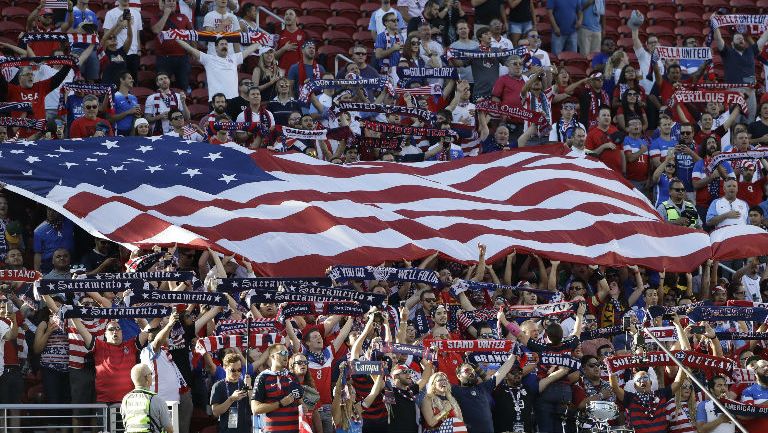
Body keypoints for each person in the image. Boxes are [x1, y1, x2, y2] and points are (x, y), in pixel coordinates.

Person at [70, 318, 149, 403]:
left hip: (129, 403)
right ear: (105, 334)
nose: (115, 331)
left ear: (122, 333)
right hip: (104, 403)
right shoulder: (98, 345)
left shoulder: (131, 344)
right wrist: (71, 314)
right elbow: (81, 330)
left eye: (118, 329)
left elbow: (149, 329)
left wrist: (160, 314)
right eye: (111, 329)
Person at [176, 37, 261, 101]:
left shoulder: (235, 58)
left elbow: (249, 50)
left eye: (226, 44)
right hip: (216, 101)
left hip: (233, 100)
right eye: (222, 44)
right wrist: (176, 38)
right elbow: (190, 49)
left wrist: (261, 40)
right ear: (216, 48)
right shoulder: (208, 59)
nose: (224, 46)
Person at [252, 344, 303, 433]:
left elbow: (300, 402)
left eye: (287, 353)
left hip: (294, 430)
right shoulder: (263, 377)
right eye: (283, 353)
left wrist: (304, 407)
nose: (286, 355)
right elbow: (255, 409)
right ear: (272, 357)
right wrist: (280, 403)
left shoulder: (292, 376)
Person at [150, 0, 193, 92]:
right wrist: (165, 14)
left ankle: (182, 105)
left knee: (183, 86)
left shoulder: (183, 17)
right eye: (169, 1)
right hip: (163, 58)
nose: (172, 3)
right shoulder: (157, 17)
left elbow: (192, 35)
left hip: (182, 58)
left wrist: (194, 51)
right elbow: (156, 30)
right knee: (162, 87)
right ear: (163, 3)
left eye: (174, 1)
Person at [120, 363, 174, 433]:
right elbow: (169, 429)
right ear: (147, 378)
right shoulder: (156, 400)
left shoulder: (125, 400)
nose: (152, 376)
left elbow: (126, 424)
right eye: (151, 374)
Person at [210, 352, 253, 433]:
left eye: (239, 370)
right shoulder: (218, 386)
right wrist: (231, 399)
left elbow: (254, 407)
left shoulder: (245, 384)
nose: (236, 373)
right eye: (233, 370)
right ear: (224, 368)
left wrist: (250, 387)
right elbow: (215, 412)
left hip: (245, 429)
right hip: (227, 430)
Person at [103, 0, 142, 81]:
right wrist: (120, 26)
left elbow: (137, 35)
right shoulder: (110, 13)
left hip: (133, 53)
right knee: (116, 79)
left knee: (132, 82)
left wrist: (139, 50)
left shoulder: (137, 14)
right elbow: (106, 37)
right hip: (117, 53)